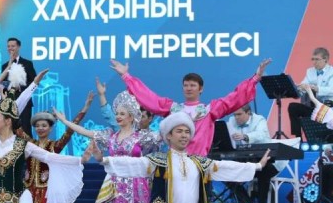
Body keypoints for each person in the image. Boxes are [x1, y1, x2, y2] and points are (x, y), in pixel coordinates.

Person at [90, 111, 270, 203]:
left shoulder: (198, 162)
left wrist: (257, 166)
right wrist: (103, 159)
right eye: (179, 131)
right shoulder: (158, 161)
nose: (184, 135)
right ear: (168, 136)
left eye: (187, 132)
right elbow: (133, 164)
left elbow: (224, 167)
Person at [109, 58, 272, 155]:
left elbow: (235, 97)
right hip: (175, 162)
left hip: (199, 163)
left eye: (193, 85)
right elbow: (148, 97)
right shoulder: (173, 109)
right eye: (186, 85)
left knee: (198, 202)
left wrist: (255, 78)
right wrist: (126, 76)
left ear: (201, 89)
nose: (189, 88)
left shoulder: (210, 110)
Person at [63, 91, 159, 203]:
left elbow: (164, 135)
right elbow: (86, 132)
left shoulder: (142, 137)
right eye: (117, 113)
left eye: (122, 114)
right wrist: (65, 121)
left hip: (136, 184)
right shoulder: (111, 136)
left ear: (131, 117)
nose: (118, 116)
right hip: (113, 185)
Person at [17, 93, 93, 203]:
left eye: (44, 125)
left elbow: (70, 130)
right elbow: (16, 128)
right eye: (37, 126)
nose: (40, 128)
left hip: (46, 191)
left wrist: (85, 108)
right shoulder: (30, 144)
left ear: (51, 128)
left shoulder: (54, 146)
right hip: (28, 190)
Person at [224, 104, 275, 203]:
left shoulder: (259, 120)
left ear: (249, 113)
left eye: (239, 114)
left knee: (265, 170)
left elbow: (261, 135)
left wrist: (245, 136)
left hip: (261, 158)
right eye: (234, 114)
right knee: (225, 171)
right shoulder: (232, 120)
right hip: (241, 158)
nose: (236, 117)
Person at [289, 47, 333, 138]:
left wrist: (317, 88)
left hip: (328, 108)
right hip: (315, 108)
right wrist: (298, 88)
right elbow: (304, 84)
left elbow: (331, 90)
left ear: (325, 59)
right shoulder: (310, 71)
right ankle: (298, 139)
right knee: (293, 107)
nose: (314, 62)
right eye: (313, 59)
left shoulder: (331, 72)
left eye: (317, 59)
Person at [0, 38, 37, 132]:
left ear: (18, 47)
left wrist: (20, 86)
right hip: (9, 103)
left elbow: (34, 82)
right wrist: (7, 89)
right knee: (9, 128)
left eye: (13, 46)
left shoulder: (27, 63)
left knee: (25, 128)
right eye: (8, 46)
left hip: (24, 102)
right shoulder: (4, 66)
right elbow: (3, 83)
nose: (10, 48)